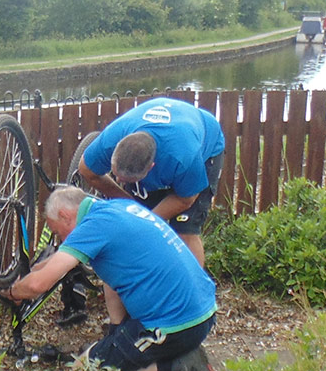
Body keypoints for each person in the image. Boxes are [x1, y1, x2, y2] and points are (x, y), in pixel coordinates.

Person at [0, 186, 219, 371]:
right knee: (109, 277)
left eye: (57, 232)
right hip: (203, 309)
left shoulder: (93, 228)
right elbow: (65, 264)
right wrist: (116, 332)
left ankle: (178, 364)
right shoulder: (118, 207)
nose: (59, 239)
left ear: (65, 216)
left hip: (177, 324)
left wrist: (12, 292)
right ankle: (124, 337)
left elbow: (37, 285)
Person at [78, 97, 224, 266]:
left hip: (205, 144)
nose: (117, 180)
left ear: (151, 167)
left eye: (126, 180)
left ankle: (196, 290)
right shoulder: (111, 139)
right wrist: (129, 201)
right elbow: (87, 170)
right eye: (116, 174)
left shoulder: (184, 157)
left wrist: (145, 220)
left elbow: (186, 199)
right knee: (137, 228)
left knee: (185, 231)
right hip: (167, 137)